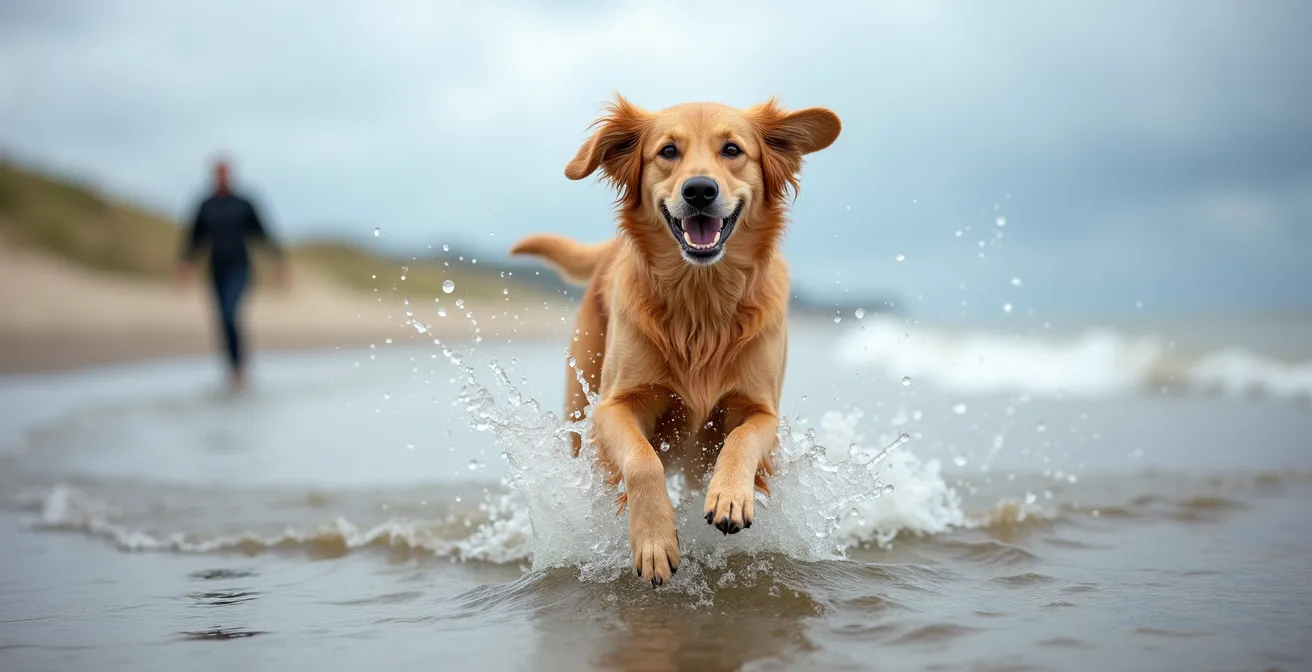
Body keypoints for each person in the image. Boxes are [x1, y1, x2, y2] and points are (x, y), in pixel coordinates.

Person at [176, 158, 289, 391]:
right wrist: (185, 263)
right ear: (213, 176)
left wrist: (277, 260)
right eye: (218, 174)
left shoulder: (243, 203)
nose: (222, 178)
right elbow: (194, 237)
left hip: (240, 268)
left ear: (231, 175)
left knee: (230, 314)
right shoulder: (205, 205)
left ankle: (239, 368)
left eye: (225, 173)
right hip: (216, 269)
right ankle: (233, 368)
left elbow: (262, 232)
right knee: (221, 320)